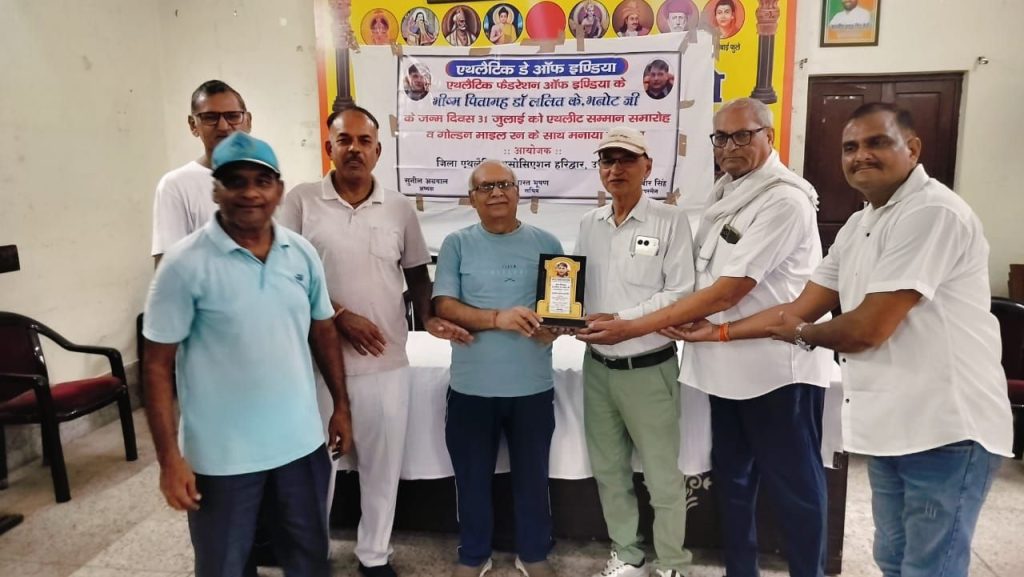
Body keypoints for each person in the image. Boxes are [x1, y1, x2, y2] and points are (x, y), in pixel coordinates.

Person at [677, 103, 1015, 577]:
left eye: (877, 143)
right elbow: (800, 306)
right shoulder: (860, 224)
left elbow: (864, 329)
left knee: (927, 566)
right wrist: (719, 332)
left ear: (913, 148)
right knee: (892, 559)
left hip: (946, 425)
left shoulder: (932, 212)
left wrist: (797, 334)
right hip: (892, 422)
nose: (860, 156)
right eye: (850, 147)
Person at [582, 99, 833, 577]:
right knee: (734, 483)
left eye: (743, 135)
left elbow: (728, 290)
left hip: (776, 371)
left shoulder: (783, 200)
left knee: (794, 489)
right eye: (721, 137)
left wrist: (633, 326)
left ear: (769, 137)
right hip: (723, 367)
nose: (730, 146)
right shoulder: (726, 194)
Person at [143, 132, 354, 577]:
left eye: (262, 181)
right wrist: (169, 460)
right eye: (235, 181)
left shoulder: (301, 253)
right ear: (216, 190)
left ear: (279, 190)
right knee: (225, 566)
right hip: (221, 459)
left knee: (309, 562)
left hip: (300, 448)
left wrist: (341, 407)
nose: (250, 193)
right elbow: (157, 366)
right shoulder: (183, 265)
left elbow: (322, 330)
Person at [277, 106, 470, 577]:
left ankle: (374, 555)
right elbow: (285, 275)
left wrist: (430, 319)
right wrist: (340, 316)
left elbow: (416, 275)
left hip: (386, 360)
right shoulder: (301, 201)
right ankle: (313, 554)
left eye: (364, 141)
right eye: (345, 140)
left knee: (382, 468)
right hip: (316, 363)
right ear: (329, 148)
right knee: (316, 469)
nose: (355, 149)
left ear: (378, 151)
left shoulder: (399, 207)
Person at [574, 127, 695, 577]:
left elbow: (680, 292)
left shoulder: (670, 221)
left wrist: (624, 321)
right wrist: (563, 317)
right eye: (607, 160)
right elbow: (576, 288)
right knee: (610, 471)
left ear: (647, 166)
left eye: (626, 159)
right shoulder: (589, 224)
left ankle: (672, 563)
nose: (615, 169)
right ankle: (627, 554)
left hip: (649, 368)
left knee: (662, 477)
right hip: (597, 369)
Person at [433, 160, 563, 577]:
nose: (497, 193)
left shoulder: (548, 242)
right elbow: (444, 305)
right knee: (471, 479)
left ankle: (534, 552)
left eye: (505, 184)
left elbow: (560, 310)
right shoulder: (456, 244)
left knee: (533, 478)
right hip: (472, 387)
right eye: (485, 187)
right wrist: (497, 318)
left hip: (531, 387)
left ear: (518, 191)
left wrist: (556, 327)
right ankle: (473, 554)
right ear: (471, 199)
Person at [151, 80, 251, 266]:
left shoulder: (266, 182)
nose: (223, 126)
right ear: (193, 125)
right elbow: (168, 269)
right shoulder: (176, 185)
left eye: (233, 116)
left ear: (248, 121)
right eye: (210, 117)